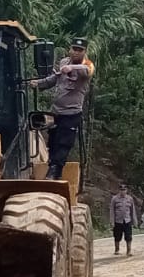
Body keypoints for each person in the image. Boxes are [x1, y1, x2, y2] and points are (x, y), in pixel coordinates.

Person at [29, 38, 95, 181]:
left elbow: (88, 70)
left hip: (71, 113)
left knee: (63, 143)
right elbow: (56, 78)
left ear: (84, 52)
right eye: (74, 49)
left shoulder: (86, 64)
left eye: (80, 50)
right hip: (57, 111)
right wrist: (39, 83)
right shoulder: (64, 62)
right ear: (69, 49)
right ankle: (54, 171)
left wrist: (73, 68)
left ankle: (55, 170)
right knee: (52, 142)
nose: (76, 53)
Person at [109, 183, 136, 257]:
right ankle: (117, 249)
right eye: (121, 190)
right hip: (118, 221)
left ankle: (129, 251)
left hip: (127, 220)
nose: (123, 191)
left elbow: (132, 210)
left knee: (128, 236)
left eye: (124, 190)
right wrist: (112, 221)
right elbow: (112, 211)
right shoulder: (115, 199)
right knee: (117, 236)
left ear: (126, 190)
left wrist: (134, 220)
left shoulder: (130, 199)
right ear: (119, 190)